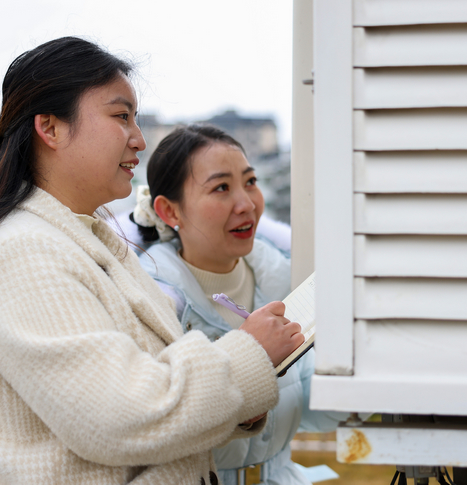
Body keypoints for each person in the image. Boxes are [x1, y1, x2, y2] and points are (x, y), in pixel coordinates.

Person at [0, 37, 305, 485]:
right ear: (51, 128)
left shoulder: (86, 241)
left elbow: (150, 382)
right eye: (121, 116)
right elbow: (119, 417)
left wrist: (240, 400)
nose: (139, 140)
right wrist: (248, 357)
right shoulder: (23, 255)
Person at [131, 125, 345, 485]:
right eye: (221, 188)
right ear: (169, 211)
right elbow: (150, 427)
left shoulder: (284, 284)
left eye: (250, 182)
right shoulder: (149, 304)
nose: (247, 204)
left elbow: (314, 414)